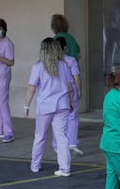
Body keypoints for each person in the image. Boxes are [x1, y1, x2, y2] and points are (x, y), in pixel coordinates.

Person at [24, 38, 73, 176]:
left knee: (40, 136)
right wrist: (71, 102)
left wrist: (26, 105)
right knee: (62, 136)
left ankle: (35, 165)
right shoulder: (64, 65)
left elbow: (31, 89)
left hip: (45, 107)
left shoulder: (38, 67)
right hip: (62, 105)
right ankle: (65, 168)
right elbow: (70, 86)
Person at [55, 37, 83, 155]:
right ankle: (72, 143)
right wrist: (79, 90)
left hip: (56, 93)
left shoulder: (51, 61)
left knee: (58, 119)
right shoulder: (71, 60)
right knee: (72, 117)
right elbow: (76, 76)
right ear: (65, 48)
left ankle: (57, 144)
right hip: (70, 92)